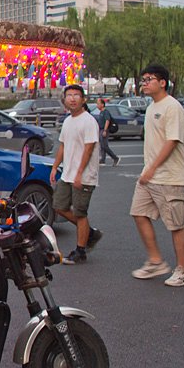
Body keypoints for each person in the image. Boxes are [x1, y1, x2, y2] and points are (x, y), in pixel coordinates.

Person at [130, 64, 184, 286]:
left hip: (169, 177)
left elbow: (172, 141)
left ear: (163, 82)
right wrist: (148, 171)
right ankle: (156, 261)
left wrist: (152, 168)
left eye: (149, 79)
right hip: (149, 176)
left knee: (176, 225)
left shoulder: (172, 107)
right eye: (143, 80)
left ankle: (183, 270)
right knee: (138, 213)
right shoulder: (151, 107)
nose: (144, 83)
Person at [50, 85, 103, 265]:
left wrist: (80, 174)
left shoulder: (88, 121)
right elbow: (63, 146)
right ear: (64, 100)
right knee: (59, 206)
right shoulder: (68, 121)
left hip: (84, 176)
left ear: (83, 99)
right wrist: (55, 167)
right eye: (69, 95)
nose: (72, 98)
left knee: (80, 213)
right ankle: (90, 232)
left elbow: (89, 149)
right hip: (67, 174)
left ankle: (80, 251)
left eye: (76, 95)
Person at [95, 99, 120, 166]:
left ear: (102, 104)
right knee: (102, 146)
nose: (97, 105)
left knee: (104, 146)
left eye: (98, 104)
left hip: (104, 130)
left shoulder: (106, 112)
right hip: (101, 130)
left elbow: (107, 121)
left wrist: (105, 130)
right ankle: (102, 160)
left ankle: (115, 158)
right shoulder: (101, 112)